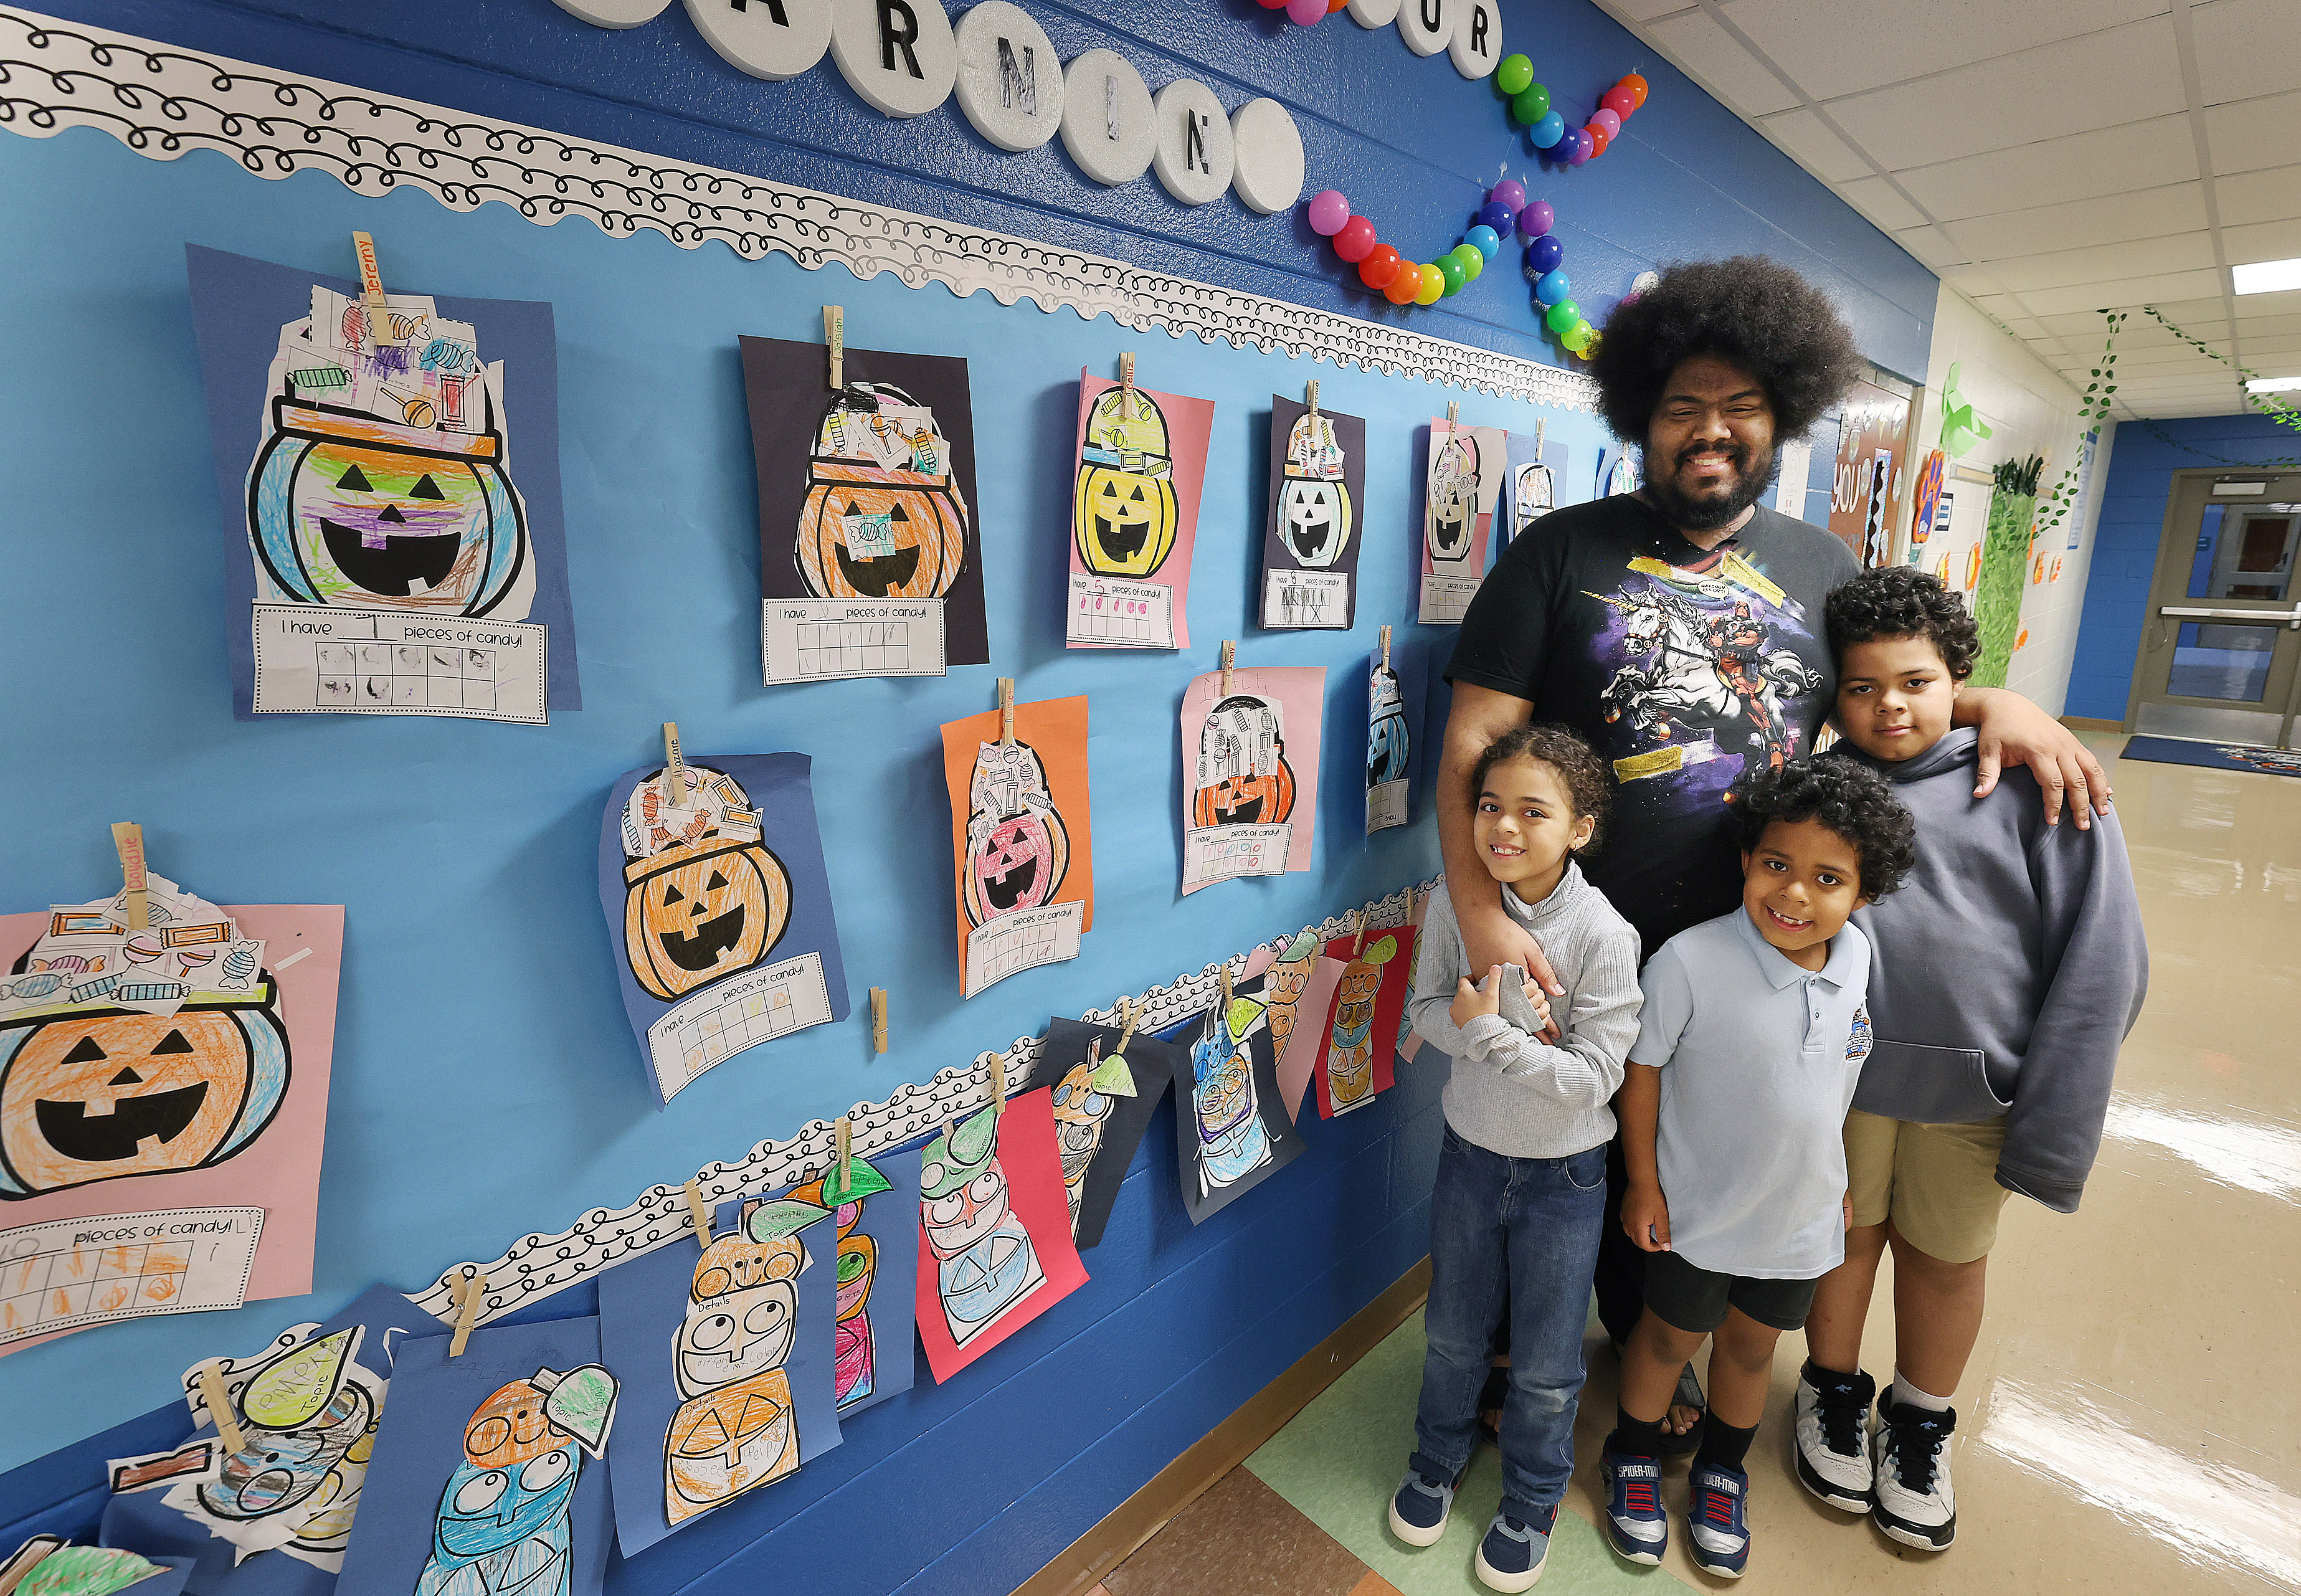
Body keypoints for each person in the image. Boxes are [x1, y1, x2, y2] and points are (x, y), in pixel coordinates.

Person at [1440, 255, 2113, 1435]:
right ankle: (1512, 1359)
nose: (1711, 429)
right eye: (1682, 405)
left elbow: (1885, 696)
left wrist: (1992, 704)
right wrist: (1483, 911)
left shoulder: (1823, 568)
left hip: (1752, 949)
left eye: (1740, 406)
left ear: (1780, 420)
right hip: (1569, 941)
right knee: (1545, 1167)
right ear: (1641, 418)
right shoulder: (1557, 551)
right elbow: (1473, 742)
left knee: (1685, 1172)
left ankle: (1655, 1357)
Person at [1793, 568, 2148, 1551]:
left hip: (1971, 1093)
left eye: (1914, 681)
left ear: (1961, 680)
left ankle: (1917, 1419)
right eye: (1860, 687)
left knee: (1945, 1259)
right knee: (1841, 1238)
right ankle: (1829, 1391)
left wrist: (2055, 1114)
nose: (1888, 706)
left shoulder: (2042, 781)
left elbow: (2103, 958)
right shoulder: (1818, 791)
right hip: (1840, 1087)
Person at [1600, 759, 1915, 1577]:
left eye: (1827, 877)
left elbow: (1835, 1081)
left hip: (1798, 1213)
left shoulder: (1856, 960)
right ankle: (1631, 1456)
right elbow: (1641, 1071)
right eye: (1775, 864)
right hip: (1696, 1208)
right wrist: (1641, 1181)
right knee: (1667, 1334)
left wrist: (1837, 1181)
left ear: (1864, 893)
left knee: (1748, 1351)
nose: (1794, 894)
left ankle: (1720, 1472)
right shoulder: (1688, 961)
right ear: (1746, 859)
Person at [1390, 725, 1643, 1592]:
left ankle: (1532, 1496)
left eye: (1532, 812)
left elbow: (1589, 1083)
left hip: (1562, 1180)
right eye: (1489, 805)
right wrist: (1469, 1028)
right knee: (1453, 1334)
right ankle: (1436, 1456)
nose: (1501, 827)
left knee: (1544, 1361)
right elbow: (1425, 1010)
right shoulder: (1452, 908)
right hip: (1467, 1157)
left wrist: (1484, 1034)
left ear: (1578, 828)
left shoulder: (1604, 934)